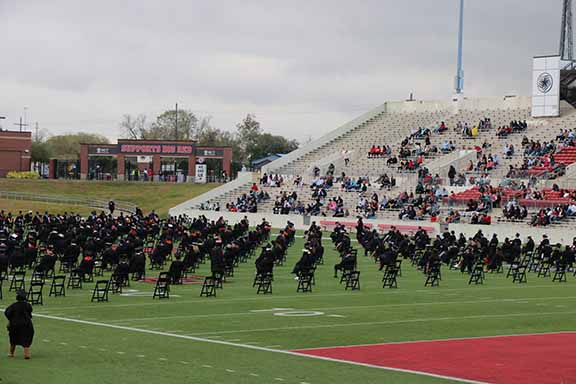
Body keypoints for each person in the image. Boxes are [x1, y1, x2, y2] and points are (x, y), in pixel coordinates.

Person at [4, 290, 34, 359]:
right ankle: (26, 353)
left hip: (15, 325)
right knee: (26, 339)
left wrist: (10, 320)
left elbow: (7, 313)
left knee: (13, 339)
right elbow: (30, 313)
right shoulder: (28, 305)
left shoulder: (13, 305)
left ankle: (11, 353)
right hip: (26, 325)